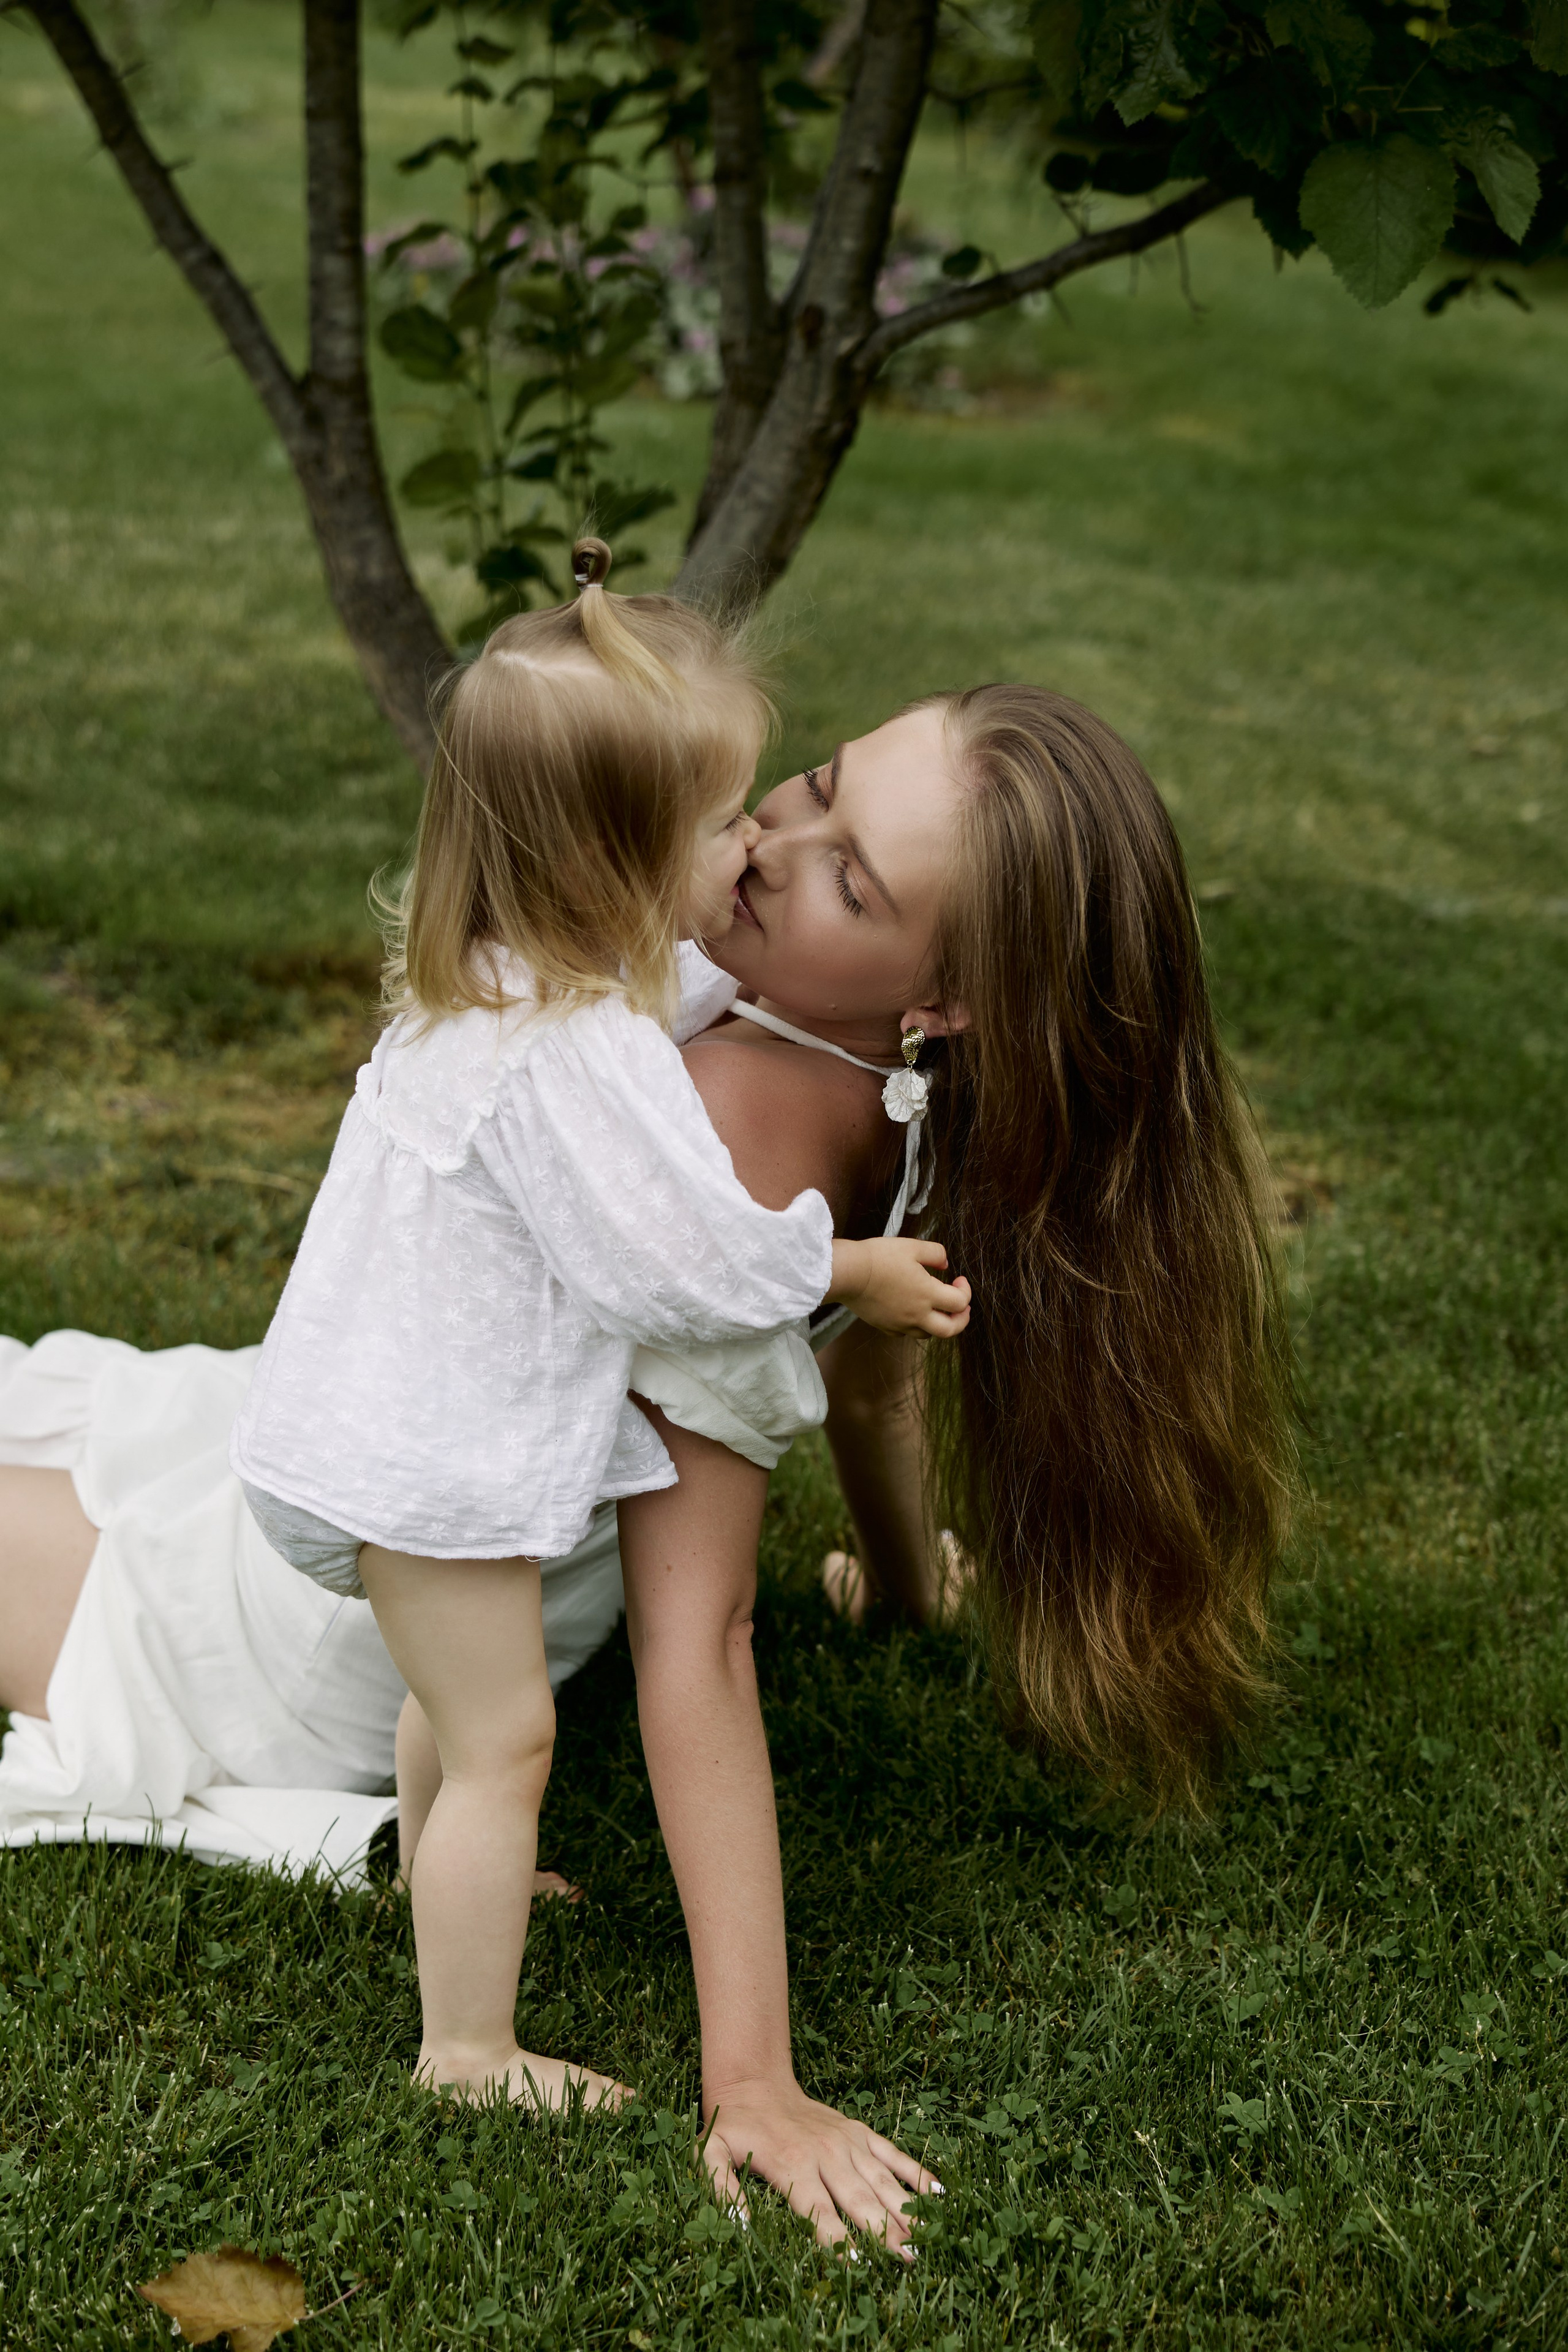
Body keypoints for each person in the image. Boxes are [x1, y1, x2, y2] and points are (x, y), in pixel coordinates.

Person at [1, 677, 1292, 2254]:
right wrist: (750, 2084)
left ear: (940, 1008)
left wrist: (901, 1591)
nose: (772, 841)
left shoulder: (853, 1103)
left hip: (394, 1557)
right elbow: (706, 1638)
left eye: (846, 870)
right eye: (816, 783)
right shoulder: (770, 1085)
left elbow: (874, 1366)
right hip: (353, 1553)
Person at [228, 541, 968, 2116]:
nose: (751, 849)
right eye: (722, 826)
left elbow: (689, 984)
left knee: (452, 1707)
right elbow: (682, 1266)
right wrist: (849, 1271)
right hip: (417, 1458)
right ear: (616, 867)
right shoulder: (577, 1057)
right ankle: (467, 2049)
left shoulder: (531, 969)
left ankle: (440, 1876)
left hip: (373, 1427)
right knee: (507, 1739)